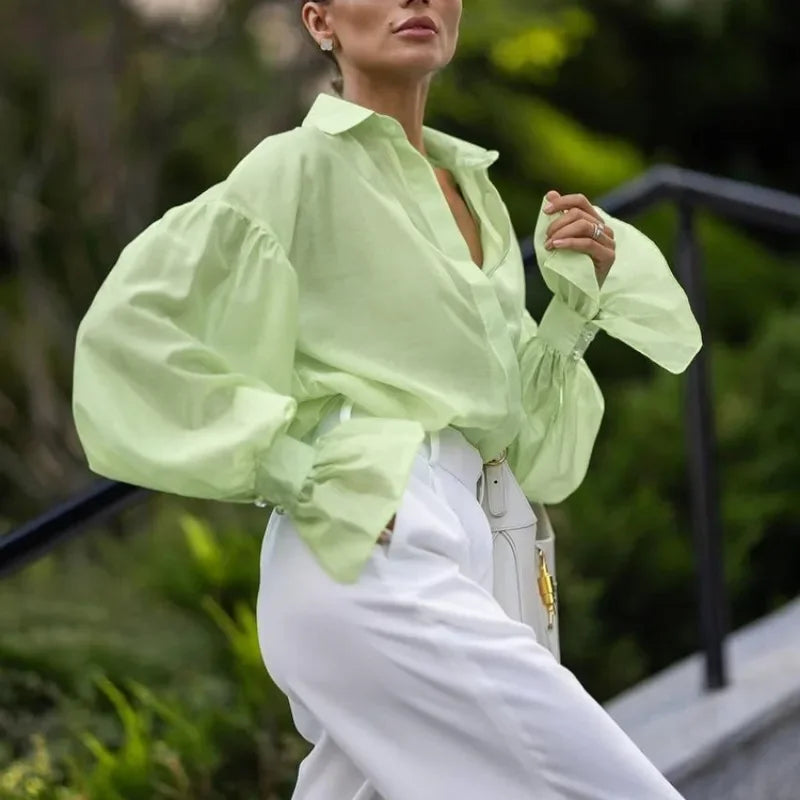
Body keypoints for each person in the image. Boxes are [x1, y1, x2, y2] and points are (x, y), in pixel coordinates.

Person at [71, 0, 703, 797]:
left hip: (480, 538)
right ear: (319, 22)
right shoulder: (293, 168)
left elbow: (527, 446)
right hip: (370, 538)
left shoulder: (473, 191)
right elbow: (129, 336)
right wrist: (301, 463)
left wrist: (576, 306)